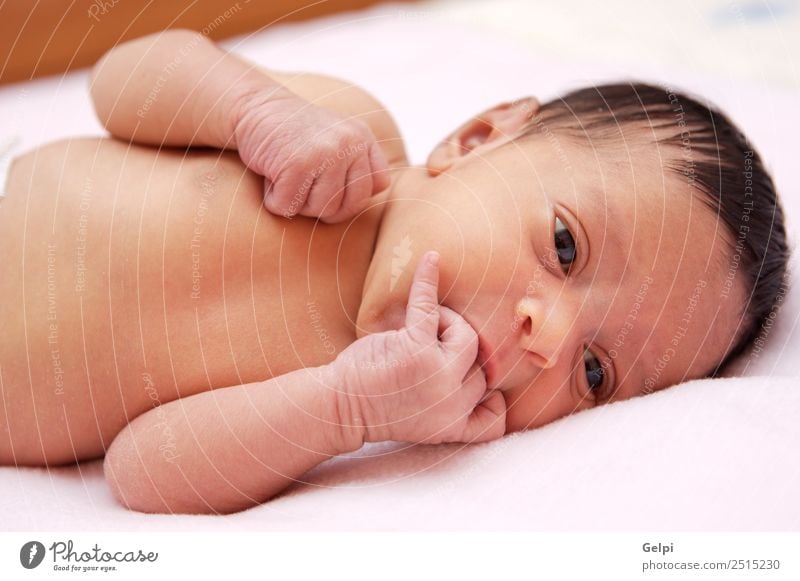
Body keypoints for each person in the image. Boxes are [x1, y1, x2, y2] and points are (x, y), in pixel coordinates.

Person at [0, 29, 788, 514]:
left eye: (594, 369)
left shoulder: (331, 386)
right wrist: (250, 112)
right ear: (478, 138)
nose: (547, 335)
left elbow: (140, 472)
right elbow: (122, 79)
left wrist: (341, 408)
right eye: (566, 245)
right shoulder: (345, 133)